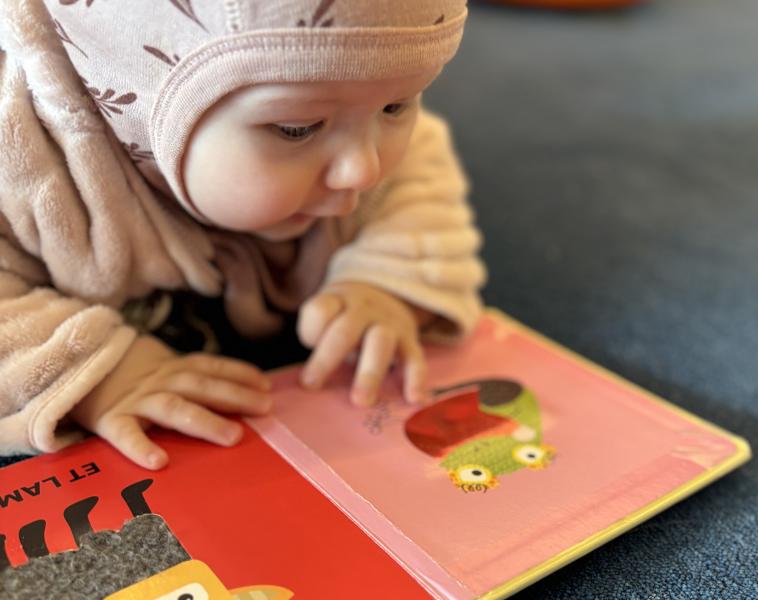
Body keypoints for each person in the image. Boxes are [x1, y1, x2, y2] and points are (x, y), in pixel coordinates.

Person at [0, 0, 485, 470]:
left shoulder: (352, 103)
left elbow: (420, 170)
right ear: (137, 105)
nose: (364, 168)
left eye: (397, 106)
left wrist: (389, 280)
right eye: (298, 129)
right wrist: (97, 375)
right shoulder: (29, 166)